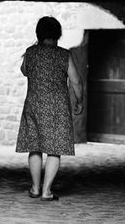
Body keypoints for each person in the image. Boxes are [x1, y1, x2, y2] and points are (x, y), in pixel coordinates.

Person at [16, 16, 83, 201]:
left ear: (38, 33)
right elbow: (76, 81)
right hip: (57, 108)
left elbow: (24, 70)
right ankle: (47, 191)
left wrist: (34, 50)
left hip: (34, 106)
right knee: (54, 149)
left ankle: (35, 188)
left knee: (34, 147)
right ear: (57, 34)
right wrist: (80, 100)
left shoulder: (31, 52)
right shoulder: (64, 55)